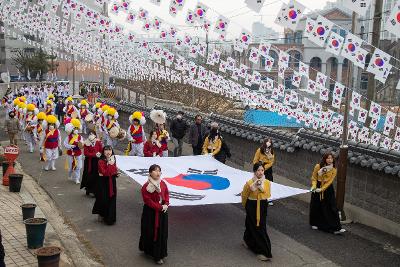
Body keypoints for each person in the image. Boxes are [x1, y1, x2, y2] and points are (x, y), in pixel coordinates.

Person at [241, 162, 272, 261]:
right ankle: (254, 245)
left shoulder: (267, 182)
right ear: (255, 171)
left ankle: (264, 251)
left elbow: (268, 194)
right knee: (251, 224)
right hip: (251, 205)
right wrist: (245, 206)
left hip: (262, 206)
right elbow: (244, 195)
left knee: (261, 227)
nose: (260, 172)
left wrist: (260, 187)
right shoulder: (249, 183)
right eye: (258, 170)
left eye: (262, 170)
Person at [139, 164, 169, 265]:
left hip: (162, 213)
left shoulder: (163, 184)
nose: (157, 173)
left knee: (162, 233)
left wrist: (166, 204)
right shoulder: (146, 187)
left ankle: (160, 253)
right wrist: (160, 207)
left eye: (159, 171)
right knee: (150, 232)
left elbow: (167, 194)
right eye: (155, 171)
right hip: (151, 213)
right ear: (150, 173)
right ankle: (152, 253)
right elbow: (148, 201)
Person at [309, 153, 346, 235]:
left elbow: (330, 181)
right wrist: (314, 186)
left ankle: (336, 226)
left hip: (328, 188)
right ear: (324, 159)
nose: (330, 160)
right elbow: (314, 177)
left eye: (331, 158)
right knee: (316, 205)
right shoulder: (318, 166)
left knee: (332, 207)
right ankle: (314, 223)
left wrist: (322, 189)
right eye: (328, 158)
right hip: (317, 186)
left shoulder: (334, 169)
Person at [92, 145, 118, 225]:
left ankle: (110, 218)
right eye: (106, 150)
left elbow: (114, 170)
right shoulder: (101, 161)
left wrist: (115, 172)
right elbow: (105, 172)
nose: (108, 152)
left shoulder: (113, 159)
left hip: (112, 182)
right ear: (103, 151)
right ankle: (102, 214)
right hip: (103, 183)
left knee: (112, 199)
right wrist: (110, 165)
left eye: (110, 150)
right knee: (103, 199)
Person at [81, 130, 103, 196]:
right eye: (90, 134)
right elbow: (86, 153)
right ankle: (89, 189)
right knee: (89, 175)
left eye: (93, 134)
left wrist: (100, 154)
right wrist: (94, 154)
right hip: (89, 161)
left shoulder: (98, 142)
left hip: (97, 161)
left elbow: (101, 150)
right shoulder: (86, 143)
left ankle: (95, 190)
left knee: (96, 175)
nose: (91, 135)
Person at [64, 118, 84, 184]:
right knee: (70, 167)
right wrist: (70, 146)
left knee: (78, 167)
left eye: (77, 129)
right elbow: (65, 144)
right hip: (70, 153)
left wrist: (81, 144)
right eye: (75, 129)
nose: (76, 130)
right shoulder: (68, 137)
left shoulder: (80, 137)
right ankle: (70, 174)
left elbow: (82, 144)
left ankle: (77, 179)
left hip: (78, 153)